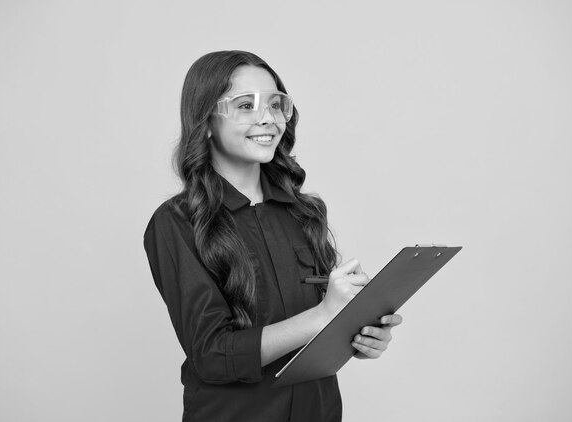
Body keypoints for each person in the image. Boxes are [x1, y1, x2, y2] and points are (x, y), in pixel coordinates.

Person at [143, 50, 403, 422]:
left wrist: (357, 333)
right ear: (206, 120)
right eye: (245, 105)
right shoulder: (176, 223)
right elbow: (212, 354)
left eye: (277, 104)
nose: (269, 119)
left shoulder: (305, 211)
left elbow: (318, 326)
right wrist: (322, 316)